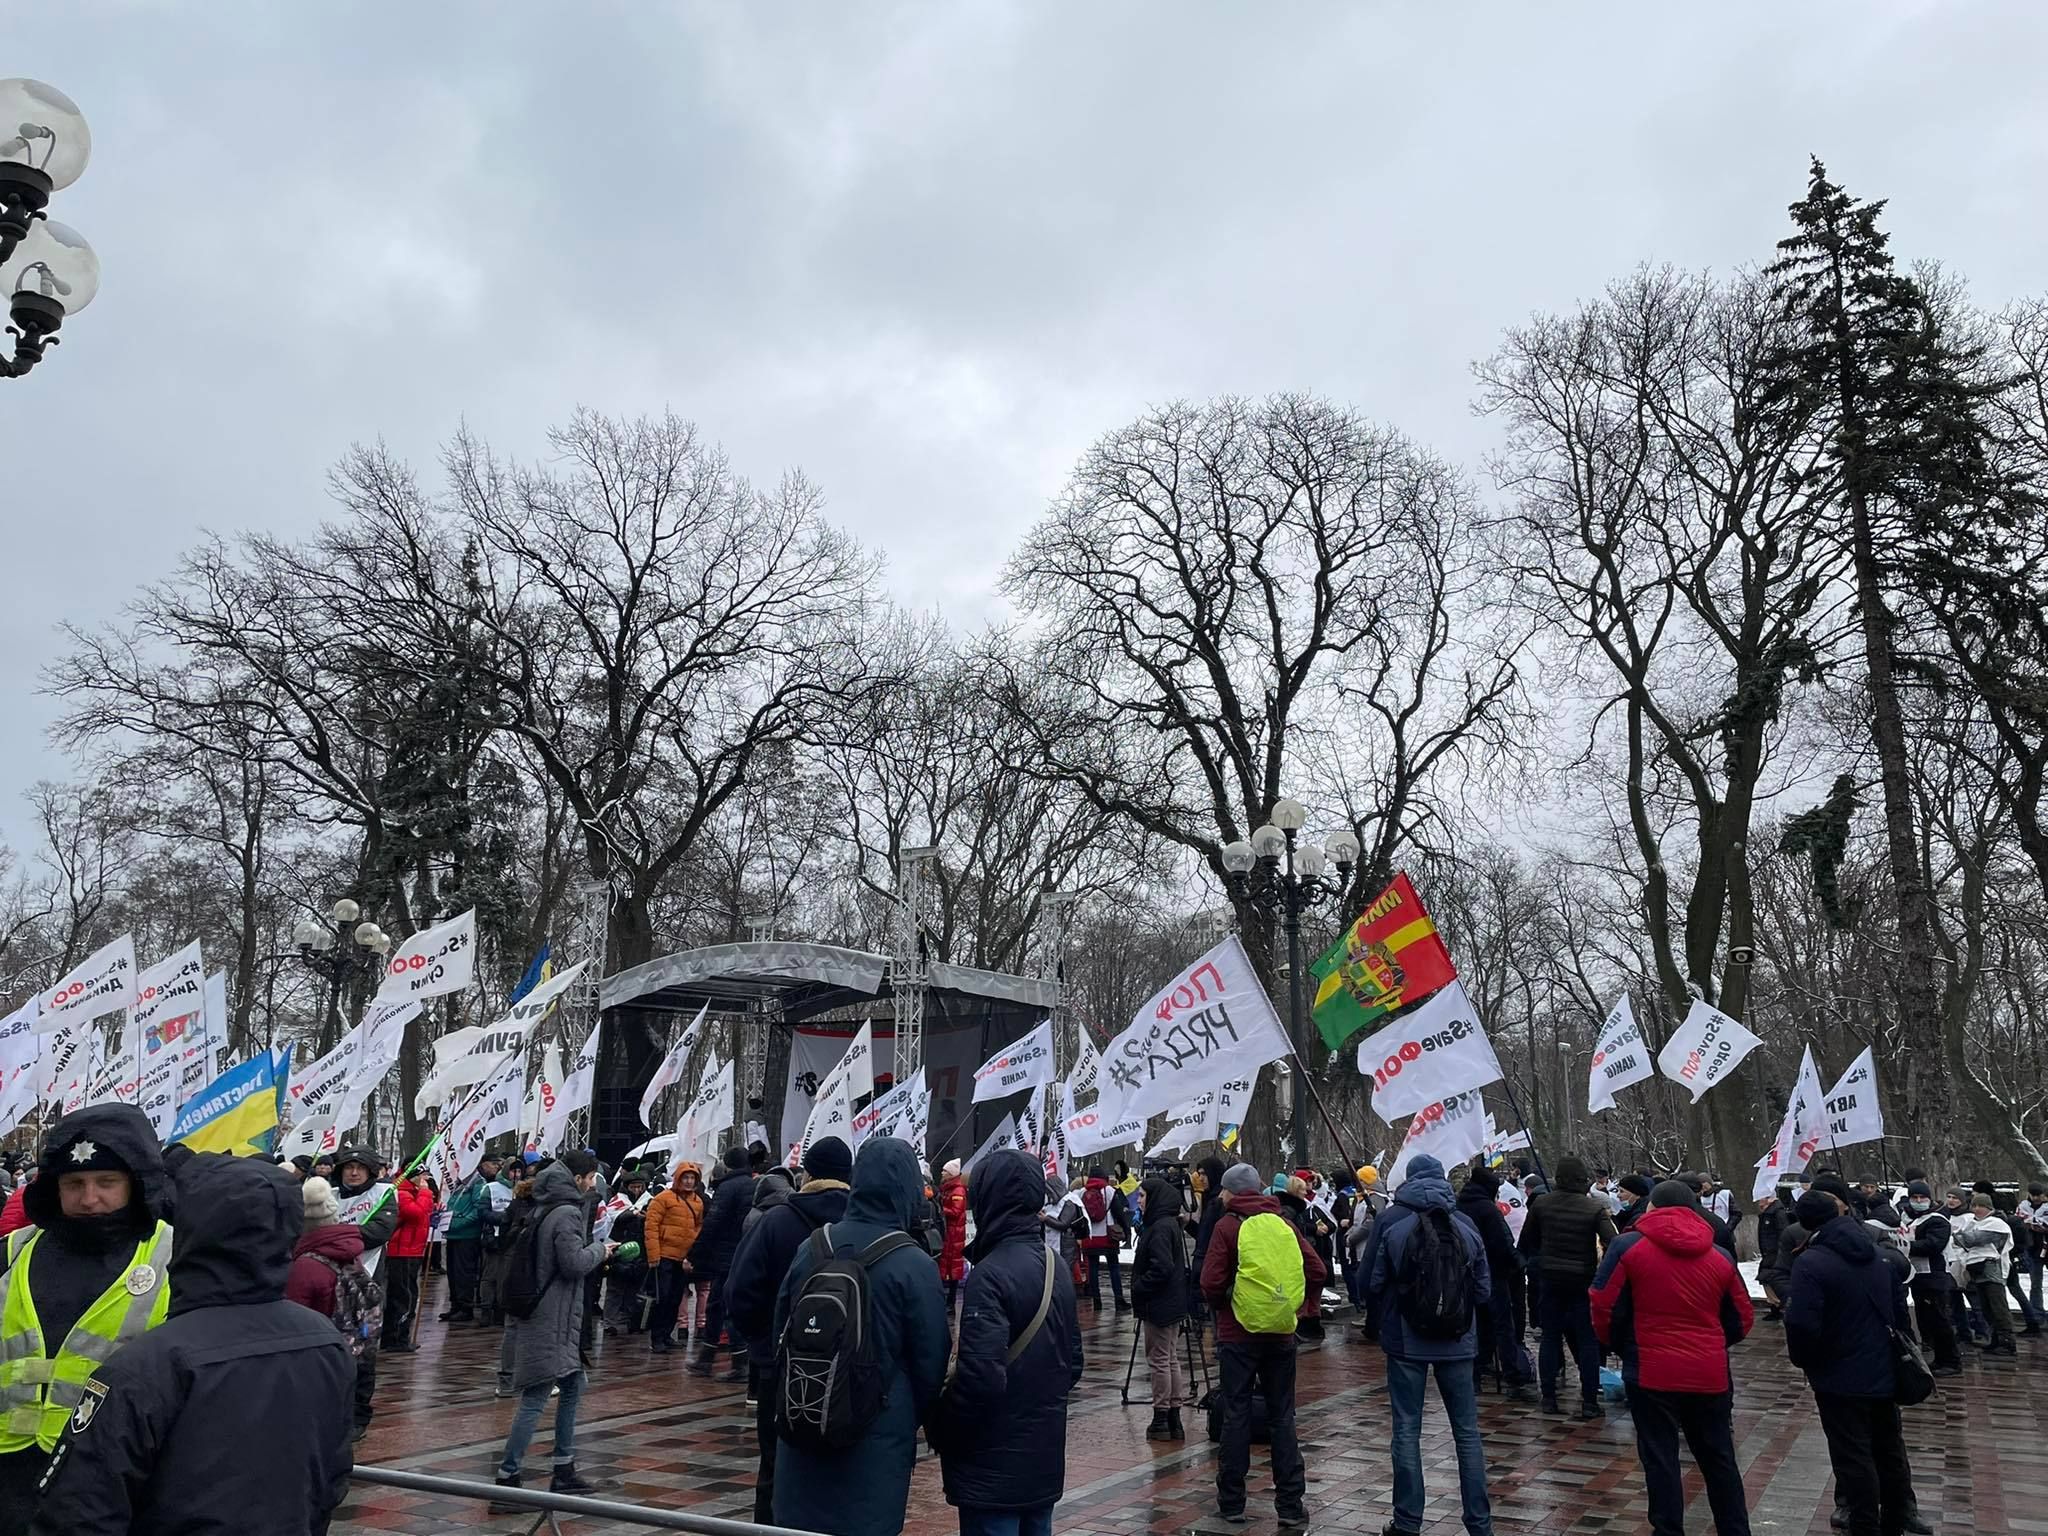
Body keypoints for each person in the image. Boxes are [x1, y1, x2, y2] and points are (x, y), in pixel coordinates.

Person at [28, 1151, 353, 1536]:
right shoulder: (325, 1341)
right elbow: (331, 1477)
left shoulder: (146, 1366)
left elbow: (79, 1513)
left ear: (189, 1230)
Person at [0, 1106, 174, 1536]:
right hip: (9, 1476)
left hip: (112, 1481)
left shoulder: (176, 1255)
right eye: (74, 1183)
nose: (89, 1198)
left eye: (106, 1182)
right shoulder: (11, 1251)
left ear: (135, 1182)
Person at [771, 1136, 947, 1536]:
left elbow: (778, 1329)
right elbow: (930, 1362)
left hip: (804, 1418)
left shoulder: (812, 1247)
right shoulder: (914, 1264)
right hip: (875, 1441)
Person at [1590, 1180, 1755, 1536]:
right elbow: (1742, 1316)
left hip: (1650, 1371)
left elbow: (1603, 1304)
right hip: (1708, 1372)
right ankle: (1736, 1529)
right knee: (1719, 1458)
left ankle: (1667, 1530)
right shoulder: (1719, 1254)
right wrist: (1713, 1343)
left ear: (1652, 1208)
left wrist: (1621, 1346)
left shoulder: (1628, 1247)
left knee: (1660, 1458)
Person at [936, 1149, 1083, 1536]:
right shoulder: (1057, 1267)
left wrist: (943, 1426)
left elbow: (980, 1378)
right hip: (1043, 1460)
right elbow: (1075, 1363)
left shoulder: (989, 1275)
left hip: (991, 1464)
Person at [1362, 1154, 1494, 1536]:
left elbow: (1370, 1281)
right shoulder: (1465, 1223)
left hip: (1406, 1340)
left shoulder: (1390, 1220)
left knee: (1406, 1429)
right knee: (1467, 1433)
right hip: (1458, 1340)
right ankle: (1479, 1523)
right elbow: (1484, 1291)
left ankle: (1407, 1522)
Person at [726, 1137, 852, 1524]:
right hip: (847, 1372)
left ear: (806, 1174)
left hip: (780, 1368)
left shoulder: (777, 1221)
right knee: (836, 1470)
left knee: (775, 1467)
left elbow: (739, 1291)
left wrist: (763, 1345)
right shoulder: (861, 1225)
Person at [1784, 1189, 1922, 1536]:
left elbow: (1801, 1323)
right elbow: (1898, 1311)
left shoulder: (1811, 1262)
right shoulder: (1877, 1256)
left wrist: (1805, 1360)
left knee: (1853, 1455)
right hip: (1882, 1369)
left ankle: (1864, 1525)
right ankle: (1896, 1519)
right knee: (1888, 1449)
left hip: (1838, 1377)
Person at [1200, 1162, 1324, 1530]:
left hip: (1238, 1337)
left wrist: (1228, 1302)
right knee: (1282, 1417)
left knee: (1236, 1415)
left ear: (1233, 1192)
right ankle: (1289, 1504)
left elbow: (1209, 1282)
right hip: (1282, 1336)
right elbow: (1316, 1269)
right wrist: (1301, 1308)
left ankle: (1232, 1502)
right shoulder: (1283, 1222)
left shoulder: (1227, 1226)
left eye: (1223, 1190)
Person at [492, 1150, 615, 1508]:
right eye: (591, 1177)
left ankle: (563, 1468)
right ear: (578, 1179)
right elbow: (574, 1263)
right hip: (551, 1319)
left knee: (575, 1384)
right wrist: (601, 1250)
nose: (594, 1183)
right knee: (535, 1397)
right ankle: (507, 1480)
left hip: (557, 1318)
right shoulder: (565, 1213)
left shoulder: (546, 1206)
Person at [1517, 1154, 1616, 1417]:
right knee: (1587, 1341)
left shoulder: (1541, 1205)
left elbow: (1526, 1241)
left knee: (1551, 1338)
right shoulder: (1593, 1208)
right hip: (1582, 1280)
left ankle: (1548, 1398)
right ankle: (1589, 1401)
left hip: (1549, 1279)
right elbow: (1613, 1241)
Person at [330, 1147, 398, 1441]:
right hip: (330, 1284)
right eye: (348, 1167)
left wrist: (336, 1237)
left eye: (360, 1167)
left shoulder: (383, 1194)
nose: (354, 1172)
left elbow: (378, 1231)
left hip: (365, 1288)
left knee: (363, 1352)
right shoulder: (329, 1195)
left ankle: (359, 1413)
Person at [1459, 1166, 1533, 1400]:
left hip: (1467, 1275)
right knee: (1502, 1325)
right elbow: (1502, 1242)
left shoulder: (1460, 1205)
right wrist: (1519, 1262)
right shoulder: (1488, 1209)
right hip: (1494, 1274)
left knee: (1476, 1325)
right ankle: (1512, 1375)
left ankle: (1475, 1374)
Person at [1130, 1171, 1192, 1440]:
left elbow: (1162, 1267)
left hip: (1159, 1304)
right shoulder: (1168, 1224)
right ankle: (1173, 1415)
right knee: (1170, 1359)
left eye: (1142, 1196)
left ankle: (1162, 1415)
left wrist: (1140, 1285)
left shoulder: (1159, 1228)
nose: (1139, 1201)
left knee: (1159, 1360)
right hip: (1172, 1302)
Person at [686, 1147, 754, 1378]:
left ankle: (737, 1362)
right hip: (746, 1253)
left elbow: (713, 1222)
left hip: (726, 1256)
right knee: (721, 1305)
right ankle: (711, 1357)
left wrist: (695, 1253)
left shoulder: (728, 1187)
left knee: (721, 1306)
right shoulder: (754, 1185)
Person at [286, 1175, 369, 1323]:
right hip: (346, 1340)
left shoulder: (304, 1266)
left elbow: (292, 1320)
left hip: (315, 1339)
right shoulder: (350, 1253)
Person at [1899, 1181, 1961, 1375]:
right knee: (1926, 1320)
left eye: (1922, 1198)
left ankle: (1951, 1360)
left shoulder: (1938, 1220)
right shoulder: (1909, 1218)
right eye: (1915, 1198)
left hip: (1934, 1275)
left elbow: (1934, 1244)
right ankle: (1940, 1357)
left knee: (1939, 1319)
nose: (1918, 1201)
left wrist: (1906, 1246)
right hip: (1918, 1276)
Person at [644, 1161, 706, 1354]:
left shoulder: (698, 1202)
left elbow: (698, 1227)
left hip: (683, 1258)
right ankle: (657, 1337)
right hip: (664, 1256)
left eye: (692, 1178)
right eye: (685, 1178)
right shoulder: (663, 1198)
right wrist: (653, 1255)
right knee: (662, 1298)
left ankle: (666, 1334)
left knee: (675, 1298)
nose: (688, 1182)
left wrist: (693, 1254)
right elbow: (651, 1226)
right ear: (678, 1178)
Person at [439, 1151, 503, 1324]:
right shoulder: (460, 1184)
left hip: (467, 1235)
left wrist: (459, 1223)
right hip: (453, 1234)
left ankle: (465, 1306)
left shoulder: (477, 1184)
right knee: (452, 1273)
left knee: (464, 1272)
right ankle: (455, 1305)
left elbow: (477, 1211)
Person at [1954, 1191, 2018, 1357]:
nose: (1976, 1209)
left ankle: (2007, 1342)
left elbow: (1972, 1239)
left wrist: (1961, 1236)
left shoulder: (1996, 1224)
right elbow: (1960, 1240)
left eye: (1980, 1206)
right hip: (1976, 1269)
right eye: (1974, 1205)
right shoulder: (1972, 1223)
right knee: (1986, 1307)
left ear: (1988, 1207)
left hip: (1992, 1268)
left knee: (1998, 1306)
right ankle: (1995, 1338)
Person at [379, 1160, 434, 1352]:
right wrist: (426, 1193)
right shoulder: (402, 1193)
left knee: (408, 1294)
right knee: (402, 1296)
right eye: (423, 1176)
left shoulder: (415, 1194)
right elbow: (417, 1214)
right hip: (401, 1251)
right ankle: (395, 1338)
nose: (426, 1180)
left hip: (413, 1250)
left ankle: (399, 1336)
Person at [1077, 1166, 1131, 1311]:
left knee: (1093, 1269)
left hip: (1090, 1237)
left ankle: (1097, 1301)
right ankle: (1119, 1300)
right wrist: (1126, 1231)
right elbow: (1119, 1213)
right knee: (1113, 1267)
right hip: (1108, 1235)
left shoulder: (1082, 1192)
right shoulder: (1109, 1191)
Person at [938, 1157, 969, 1302]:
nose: (942, 1173)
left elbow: (956, 1212)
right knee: (947, 1265)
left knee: (953, 1266)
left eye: (945, 1171)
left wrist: (940, 1210)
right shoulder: (948, 1188)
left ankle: (950, 1301)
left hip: (954, 1234)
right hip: (949, 1233)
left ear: (951, 1174)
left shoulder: (958, 1191)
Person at [1755, 1190, 1787, 1321]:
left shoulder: (1777, 1213)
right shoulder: (1766, 1213)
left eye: (1760, 1198)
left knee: (1768, 1277)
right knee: (1766, 1279)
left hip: (1774, 1253)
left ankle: (1778, 1305)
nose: (1758, 1201)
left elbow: (1782, 1232)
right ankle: (1775, 1306)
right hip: (1769, 1252)